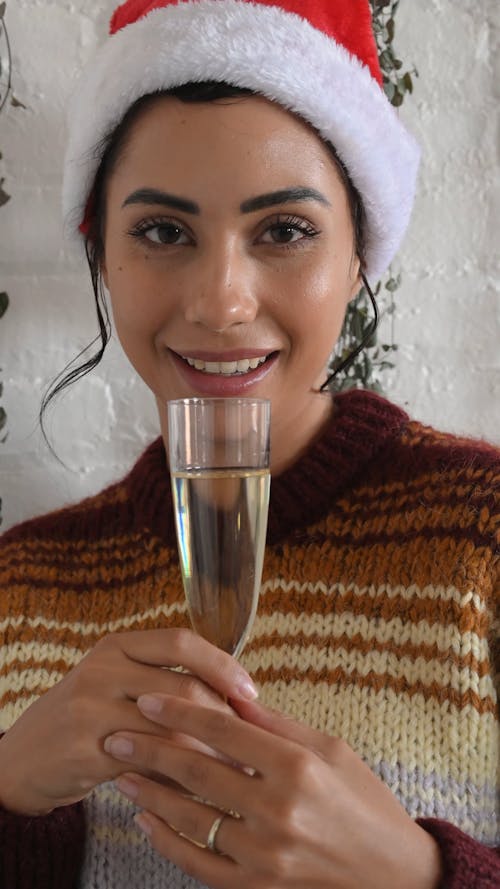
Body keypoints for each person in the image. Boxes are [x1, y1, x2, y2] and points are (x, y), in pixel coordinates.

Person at [0, 1, 498, 887]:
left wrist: (420, 874)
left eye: (284, 230)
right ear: (101, 255)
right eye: (162, 232)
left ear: (359, 256)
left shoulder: (484, 536)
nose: (222, 302)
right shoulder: (22, 586)